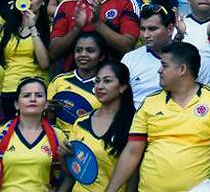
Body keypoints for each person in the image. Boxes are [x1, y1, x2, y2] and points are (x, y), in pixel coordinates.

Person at [104, 42, 210, 192]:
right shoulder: (150, 102)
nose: (159, 70)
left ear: (182, 69)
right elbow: (132, 152)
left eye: (164, 65)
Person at [63, 61, 136, 192]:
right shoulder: (81, 122)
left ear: (123, 87)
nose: (99, 86)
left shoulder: (133, 126)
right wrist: (63, 155)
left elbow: (133, 177)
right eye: (97, 81)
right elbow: (73, 174)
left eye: (107, 81)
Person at [0, 77, 64, 191]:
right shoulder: (1, 133)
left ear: (46, 104)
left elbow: (71, 175)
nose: (33, 99)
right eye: (26, 95)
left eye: (39, 95)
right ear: (16, 104)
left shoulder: (57, 136)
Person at [0, 0, 51, 121]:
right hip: (7, 92)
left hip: (34, 93)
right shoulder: (7, 29)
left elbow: (44, 64)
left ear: (43, 1)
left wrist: (33, 28)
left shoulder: (49, 29)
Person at [47, 31, 104, 136]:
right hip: (55, 139)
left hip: (86, 143)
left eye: (90, 51)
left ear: (101, 56)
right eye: (78, 50)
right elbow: (46, 118)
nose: (83, 55)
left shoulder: (104, 88)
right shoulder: (59, 80)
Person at [121, 4, 176, 107]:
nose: (146, 35)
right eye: (142, 29)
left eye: (152, 29)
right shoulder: (129, 59)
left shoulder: (188, 57)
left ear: (170, 29)